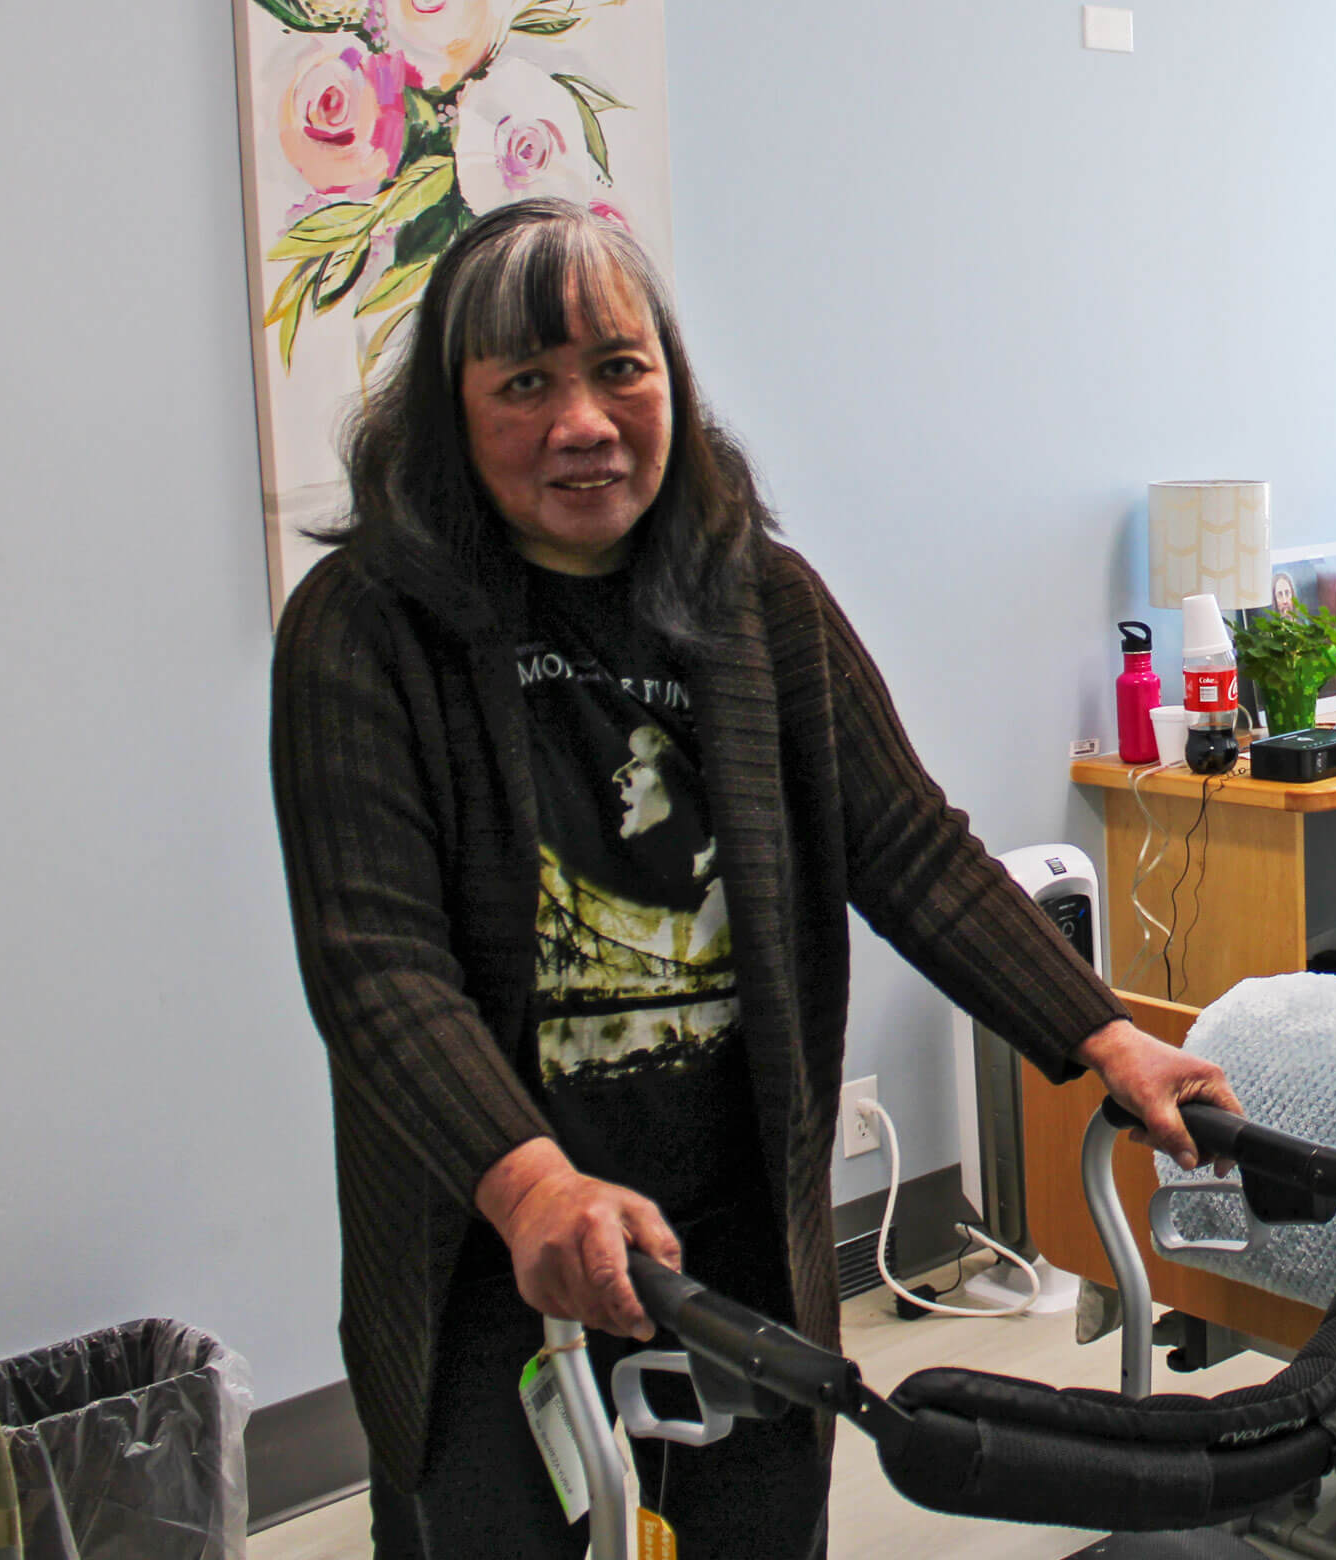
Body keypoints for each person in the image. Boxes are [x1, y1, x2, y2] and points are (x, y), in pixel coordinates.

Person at [269, 199, 1238, 1560]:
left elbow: (907, 844)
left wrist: (1102, 1033)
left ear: (670, 381)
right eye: (525, 384)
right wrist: (534, 1187)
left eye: (620, 369)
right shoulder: (367, 630)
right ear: (451, 412)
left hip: (738, 1244)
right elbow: (379, 967)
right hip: (492, 1259)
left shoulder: (756, 600)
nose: (585, 422)